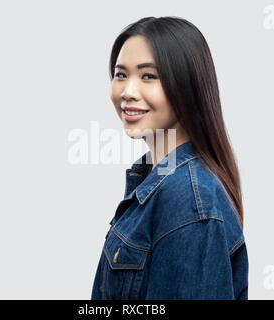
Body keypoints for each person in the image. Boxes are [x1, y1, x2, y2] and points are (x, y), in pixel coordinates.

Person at [91, 16, 248, 300]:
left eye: (148, 76)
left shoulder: (188, 198)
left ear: (187, 87)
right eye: (121, 74)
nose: (127, 92)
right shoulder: (159, 181)